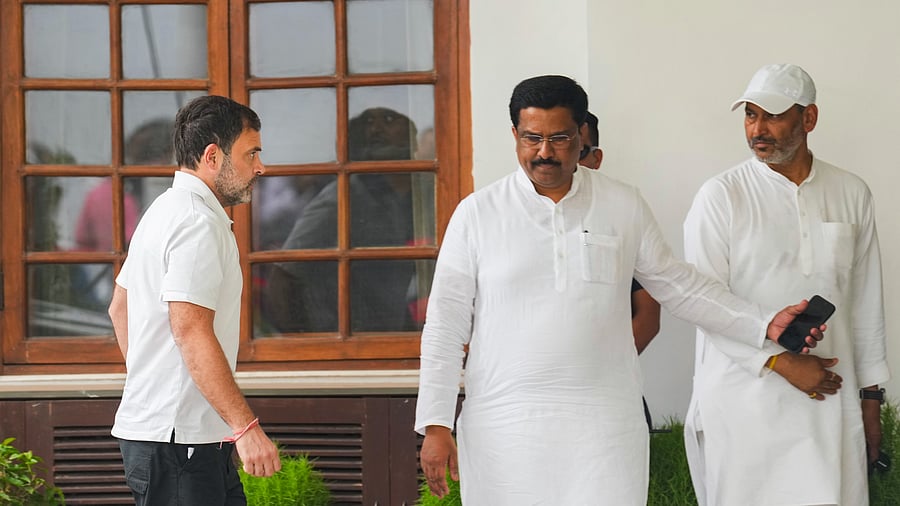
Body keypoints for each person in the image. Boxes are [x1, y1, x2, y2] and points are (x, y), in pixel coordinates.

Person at [416, 74, 828, 505]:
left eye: (559, 138)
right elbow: (445, 324)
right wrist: (436, 422)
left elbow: (679, 286)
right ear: (515, 135)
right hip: (505, 430)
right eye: (531, 138)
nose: (544, 152)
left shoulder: (621, 204)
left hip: (604, 432)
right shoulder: (478, 214)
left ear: (582, 136)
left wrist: (763, 322)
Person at [682, 63, 890, 506]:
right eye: (751, 115)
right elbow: (702, 301)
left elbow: (866, 305)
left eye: (773, 115)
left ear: (808, 119)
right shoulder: (722, 195)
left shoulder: (851, 192)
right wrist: (782, 363)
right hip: (744, 403)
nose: (758, 129)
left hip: (829, 401)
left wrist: (871, 402)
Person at [108, 95, 280, 505]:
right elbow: (190, 329)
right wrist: (246, 428)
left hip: (180, 437)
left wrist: (155, 381)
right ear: (212, 156)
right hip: (180, 442)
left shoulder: (164, 209)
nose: (261, 166)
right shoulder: (196, 222)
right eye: (251, 153)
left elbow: (119, 308)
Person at [266, 107, 430, 333]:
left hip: (383, 342)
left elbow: (384, 292)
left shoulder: (397, 201)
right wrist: (308, 346)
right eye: (368, 124)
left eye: (389, 120)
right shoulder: (343, 200)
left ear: (412, 142)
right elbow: (283, 278)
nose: (376, 129)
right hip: (346, 343)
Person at [580, 111, 661, 428]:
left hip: (610, 392)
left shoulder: (621, 216)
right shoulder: (511, 218)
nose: (564, 158)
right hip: (538, 402)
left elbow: (649, 314)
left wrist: (605, 369)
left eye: (579, 149)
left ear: (596, 158)